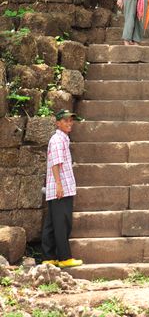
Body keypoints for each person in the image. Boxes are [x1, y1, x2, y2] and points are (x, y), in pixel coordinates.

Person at [41, 109, 83, 268]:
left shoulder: (61, 139)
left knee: (52, 223)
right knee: (62, 223)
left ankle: (48, 257)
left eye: (71, 120)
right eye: (65, 120)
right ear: (58, 123)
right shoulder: (58, 139)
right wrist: (59, 185)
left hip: (58, 187)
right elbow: (56, 164)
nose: (69, 123)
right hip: (61, 188)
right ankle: (64, 258)